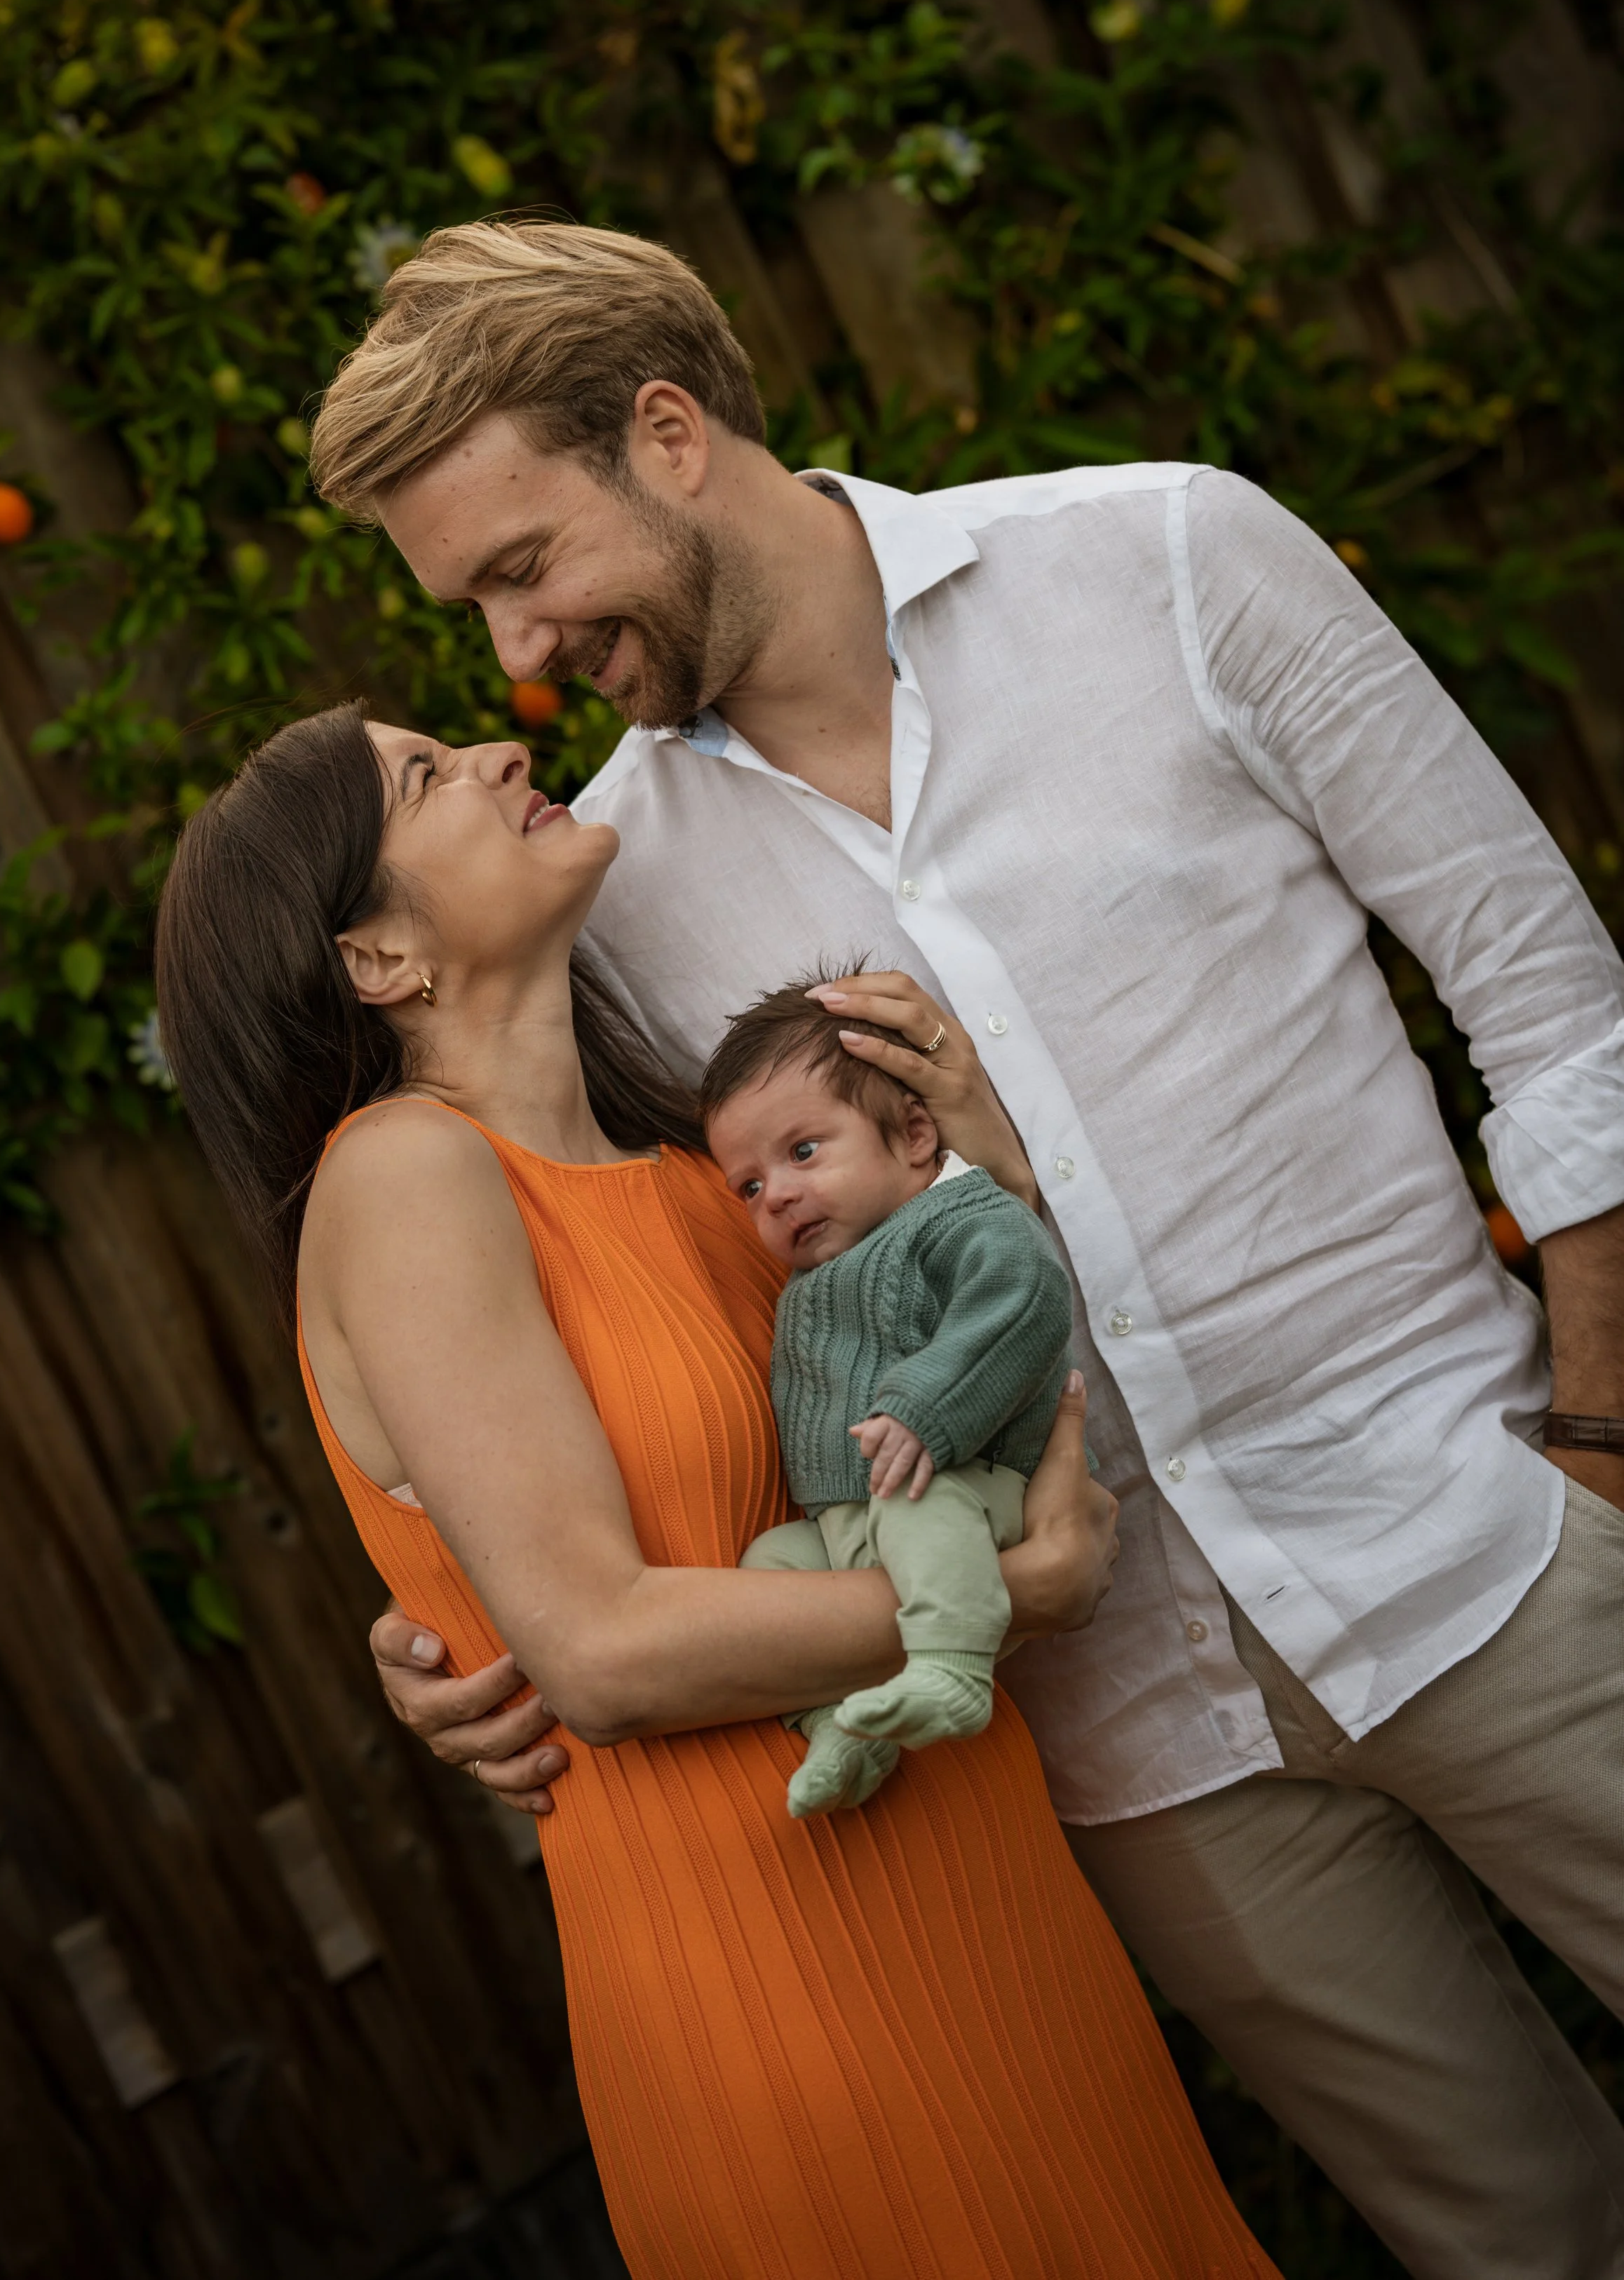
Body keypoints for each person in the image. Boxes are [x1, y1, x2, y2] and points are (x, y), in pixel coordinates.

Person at [312, 218, 1624, 2280]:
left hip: (1491, 1545)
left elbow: (1549, 1003)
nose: (515, 657)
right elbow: (640, 1320)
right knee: (1525, 2241)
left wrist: (1597, 1445)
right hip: (1142, 1749)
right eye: (474, 603)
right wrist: (456, 1626)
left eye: (522, 565)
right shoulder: (610, 901)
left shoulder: (1168, 558)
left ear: (667, 433)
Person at [154, 701, 1280, 2280]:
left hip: (990, 1896)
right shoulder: (405, 1174)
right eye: (424, 777)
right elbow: (602, 1653)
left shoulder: (714, 1186)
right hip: (779, 1973)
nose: (496, 756)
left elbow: (935, 1452)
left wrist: (993, 1186)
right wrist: (1007, 1598)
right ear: (377, 959)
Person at [702, 973, 1076, 1818]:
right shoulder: (821, 1274)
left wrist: (923, 1409)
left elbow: (1022, 1301)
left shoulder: (961, 1219)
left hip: (965, 1485)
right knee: (769, 1571)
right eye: (749, 1186)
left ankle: (952, 1668)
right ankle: (841, 1724)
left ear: (912, 1135)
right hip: (857, 1520)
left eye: (803, 1152)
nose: (776, 1194)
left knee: (915, 1506)